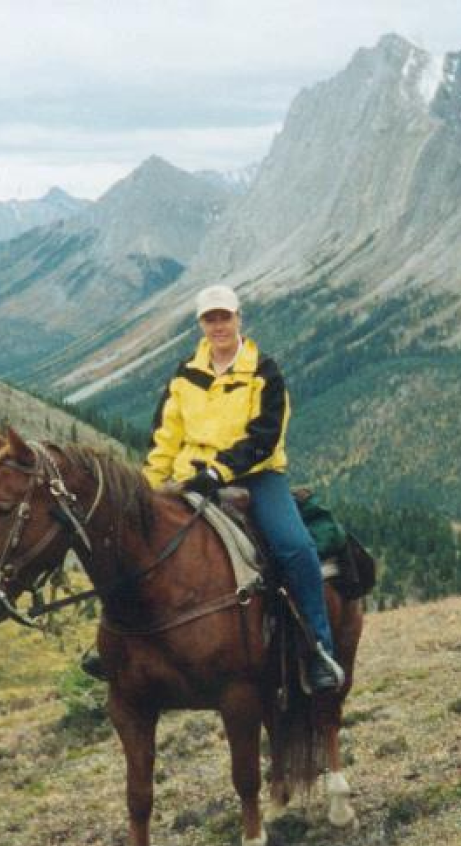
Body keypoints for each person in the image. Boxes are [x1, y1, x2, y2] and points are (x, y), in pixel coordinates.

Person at [140, 284, 343, 693]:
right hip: (189, 476)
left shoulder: (263, 371)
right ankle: (123, 645)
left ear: (238, 318)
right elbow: (166, 435)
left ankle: (318, 649)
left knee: (295, 547)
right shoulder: (185, 374)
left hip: (256, 476)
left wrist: (219, 472)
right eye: (210, 318)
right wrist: (149, 486)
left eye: (224, 317)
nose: (218, 326)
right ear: (200, 324)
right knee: (133, 545)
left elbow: (265, 436)